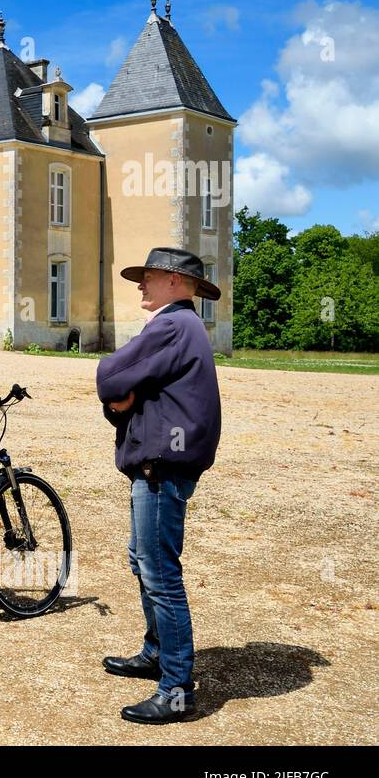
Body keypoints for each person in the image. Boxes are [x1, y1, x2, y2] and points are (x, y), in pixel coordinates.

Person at [95, 247, 222, 724]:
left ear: (173, 281)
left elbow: (110, 373)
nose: (141, 286)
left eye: (147, 277)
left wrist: (119, 395)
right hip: (159, 463)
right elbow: (124, 389)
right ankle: (156, 653)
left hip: (161, 466)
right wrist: (122, 401)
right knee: (143, 560)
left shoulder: (172, 325)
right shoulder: (183, 327)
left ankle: (176, 688)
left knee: (160, 573)